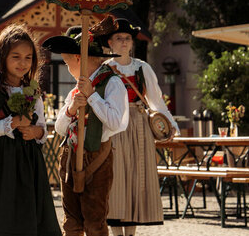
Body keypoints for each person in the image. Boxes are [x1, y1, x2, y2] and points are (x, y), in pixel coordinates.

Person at [0, 24, 60, 236]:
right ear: (2, 57)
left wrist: (36, 133)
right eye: (16, 57)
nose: (23, 63)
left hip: (29, 163)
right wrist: (12, 123)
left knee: (30, 217)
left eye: (28, 58)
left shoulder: (33, 89)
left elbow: (42, 128)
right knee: (1, 218)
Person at [45, 24, 129, 236]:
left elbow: (116, 123)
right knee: (71, 223)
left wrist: (92, 96)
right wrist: (72, 108)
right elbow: (60, 128)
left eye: (67, 62)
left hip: (97, 156)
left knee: (94, 221)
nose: (67, 67)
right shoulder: (76, 87)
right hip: (70, 156)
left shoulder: (113, 83)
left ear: (79, 58)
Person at [98, 18, 178, 236]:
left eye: (127, 38)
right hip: (114, 126)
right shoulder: (103, 70)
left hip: (139, 125)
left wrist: (170, 126)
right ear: (110, 43)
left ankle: (131, 234)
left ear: (132, 42)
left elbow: (156, 101)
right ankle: (116, 234)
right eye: (119, 38)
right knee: (115, 180)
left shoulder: (142, 68)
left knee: (136, 179)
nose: (124, 42)